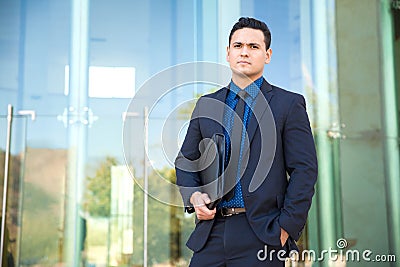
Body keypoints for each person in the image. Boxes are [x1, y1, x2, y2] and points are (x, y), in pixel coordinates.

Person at [175, 17, 318, 266]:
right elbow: (186, 161)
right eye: (238, 46)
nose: (244, 52)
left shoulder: (288, 105)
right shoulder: (207, 105)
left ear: (268, 55)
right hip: (211, 233)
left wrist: (285, 228)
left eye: (254, 47)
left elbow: (304, 171)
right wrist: (194, 196)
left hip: (263, 234)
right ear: (228, 53)